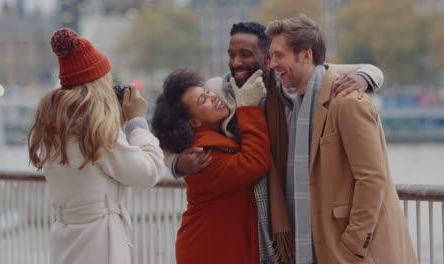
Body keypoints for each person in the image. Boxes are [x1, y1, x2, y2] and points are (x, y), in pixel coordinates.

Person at [166, 22, 386, 263]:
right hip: (248, 220)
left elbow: (365, 69)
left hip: (285, 208)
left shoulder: (290, 82)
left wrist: (363, 79)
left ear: (267, 55)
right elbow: (170, 127)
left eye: (246, 54)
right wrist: (176, 162)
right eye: (232, 54)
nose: (237, 62)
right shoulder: (217, 91)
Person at [266, 14, 418, 264]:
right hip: (324, 249)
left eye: (279, 55)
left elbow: (372, 178)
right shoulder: (295, 104)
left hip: (356, 255)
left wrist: (353, 245)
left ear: (306, 55)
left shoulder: (347, 102)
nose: (272, 64)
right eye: (271, 56)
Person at [27, 28, 165, 264]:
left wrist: (116, 124)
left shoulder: (54, 125)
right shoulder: (98, 130)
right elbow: (148, 173)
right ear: (99, 84)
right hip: (100, 242)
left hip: (65, 237)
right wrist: (137, 122)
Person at [152, 69, 269, 264]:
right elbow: (255, 163)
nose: (212, 96)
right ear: (194, 121)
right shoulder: (202, 154)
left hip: (215, 246)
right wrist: (248, 108)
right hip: (208, 251)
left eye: (206, 92)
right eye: (203, 100)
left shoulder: (207, 139)